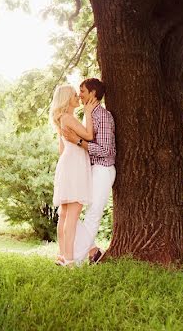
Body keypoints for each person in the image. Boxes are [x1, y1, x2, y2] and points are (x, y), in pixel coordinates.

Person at [49, 84, 98, 266]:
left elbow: (62, 149)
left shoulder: (61, 119)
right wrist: (88, 112)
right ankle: (69, 259)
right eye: (74, 95)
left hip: (68, 164)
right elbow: (89, 135)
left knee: (64, 215)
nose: (78, 97)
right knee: (71, 216)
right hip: (74, 166)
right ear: (66, 99)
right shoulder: (68, 118)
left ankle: (62, 256)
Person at [71, 78, 116, 264]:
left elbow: (105, 150)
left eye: (82, 91)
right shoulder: (88, 114)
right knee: (68, 212)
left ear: (93, 93)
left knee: (93, 214)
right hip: (90, 170)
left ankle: (76, 261)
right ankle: (93, 251)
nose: (79, 95)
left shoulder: (103, 116)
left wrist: (79, 142)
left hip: (102, 170)